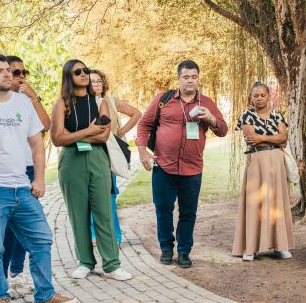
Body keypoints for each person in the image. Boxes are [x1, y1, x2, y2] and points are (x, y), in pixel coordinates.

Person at [0, 52, 76, 303]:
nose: (7, 74)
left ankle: (45, 293)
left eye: (8, 70)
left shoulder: (21, 103)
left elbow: (36, 143)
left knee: (41, 240)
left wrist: (40, 179)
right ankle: (0, 298)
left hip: (23, 187)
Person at [136, 60, 228, 267]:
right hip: (164, 166)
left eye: (194, 77)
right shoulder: (163, 99)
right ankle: (166, 248)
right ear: (178, 78)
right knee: (163, 209)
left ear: (198, 79)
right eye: (186, 77)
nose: (190, 81)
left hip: (192, 168)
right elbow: (144, 124)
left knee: (188, 212)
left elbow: (223, 131)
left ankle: (185, 251)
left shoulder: (206, 102)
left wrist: (212, 118)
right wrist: (142, 150)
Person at [50, 59, 132, 281]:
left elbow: (103, 135)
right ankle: (85, 262)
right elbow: (57, 138)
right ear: (69, 77)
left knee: (104, 211)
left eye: (86, 70)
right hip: (71, 161)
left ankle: (112, 264)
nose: (84, 74)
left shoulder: (100, 102)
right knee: (78, 214)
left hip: (97, 157)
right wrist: (88, 130)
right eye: (78, 72)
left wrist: (73, 134)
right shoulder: (61, 103)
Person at [1, 55, 51, 288]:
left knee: (25, 226)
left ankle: (17, 273)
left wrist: (33, 97)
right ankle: (0, 280)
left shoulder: (25, 101)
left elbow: (45, 126)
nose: (21, 77)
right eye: (15, 72)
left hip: (28, 169)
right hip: (4, 172)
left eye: (24, 73)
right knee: (4, 231)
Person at [232, 81, 294, 261]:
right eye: (256, 95)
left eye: (263, 95)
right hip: (257, 162)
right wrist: (272, 139)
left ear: (269, 96)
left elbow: (283, 138)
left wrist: (263, 138)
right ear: (250, 98)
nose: (260, 98)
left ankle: (280, 246)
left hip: (276, 161)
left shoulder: (277, 115)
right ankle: (250, 248)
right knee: (254, 202)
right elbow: (251, 139)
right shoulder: (246, 116)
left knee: (277, 201)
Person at [88, 69, 141, 246]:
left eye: (98, 81)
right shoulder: (83, 103)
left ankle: (115, 236)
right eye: (91, 81)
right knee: (89, 196)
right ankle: (94, 235)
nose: (95, 84)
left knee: (109, 195)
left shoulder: (110, 101)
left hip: (109, 152)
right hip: (88, 152)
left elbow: (136, 113)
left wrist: (121, 131)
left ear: (103, 84)